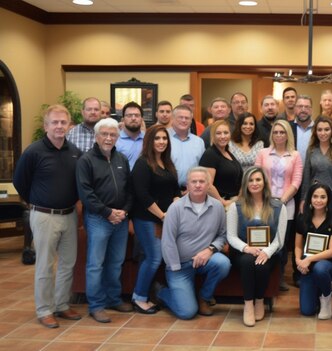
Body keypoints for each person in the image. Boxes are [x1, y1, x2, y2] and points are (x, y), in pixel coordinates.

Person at [13, 105, 83, 328]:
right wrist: (36, 201)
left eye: (63, 122)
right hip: (44, 216)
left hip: (69, 214)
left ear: (69, 125)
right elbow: (20, 182)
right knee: (44, 265)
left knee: (67, 263)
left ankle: (61, 304)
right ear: (46, 126)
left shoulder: (74, 151)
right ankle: (44, 309)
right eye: (55, 122)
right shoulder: (34, 151)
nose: (59, 126)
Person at [76, 117, 134, 323]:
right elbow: (86, 194)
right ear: (96, 136)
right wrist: (108, 212)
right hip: (98, 219)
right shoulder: (86, 160)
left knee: (116, 262)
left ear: (117, 137)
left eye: (113, 135)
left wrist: (124, 211)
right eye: (105, 134)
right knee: (95, 264)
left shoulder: (122, 159)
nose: (109, 138)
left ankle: (113, 299)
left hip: (120, 220)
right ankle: (96, 305)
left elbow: (129, 189)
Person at [158, 167, 232, 319]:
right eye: (194, 182)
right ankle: (161, 292)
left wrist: (210, 250)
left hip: (206, 260)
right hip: (180, 266)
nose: (198, 185)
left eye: (202, 181)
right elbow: (168, 241)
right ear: (187, 185)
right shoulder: (175, 208)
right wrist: (175, 268)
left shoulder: (217, 207)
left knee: (223, 264)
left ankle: (204, 297)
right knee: (187, 313)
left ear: (208, 184)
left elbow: (222, 235)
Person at [227, 167, 287, 327]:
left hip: (270, 252)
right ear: (245, 184)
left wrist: (267, 252)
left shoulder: (279, 206)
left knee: (261, 266)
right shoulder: (236, 206)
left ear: (264, 182)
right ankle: (248, 305)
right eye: (251, 180)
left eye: (258, 179)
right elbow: (231, 236)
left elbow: (280, 239)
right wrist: (247, 248)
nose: (254, 183)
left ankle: (259, 300)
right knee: (248, 262)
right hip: (243, 251)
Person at [130, 124, 181, 314]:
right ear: (149, 141)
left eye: (164, 138)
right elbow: (142, 194)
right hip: (147, 218)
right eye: (157, 138)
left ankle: (150, 294)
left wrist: (175, 205)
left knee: (158, 258)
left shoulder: (167, 163)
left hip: (167, 219)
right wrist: (162, 215)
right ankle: (139, 298)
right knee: (153, 258)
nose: (161, 142)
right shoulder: (143, 163)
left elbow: (175, 189)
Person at [255, 119, 303, 290]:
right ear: (271, 134)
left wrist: (281, 200)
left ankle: (279, 277)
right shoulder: (263, 153)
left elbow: (296, 181)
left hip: (286, 204)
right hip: (263, 203)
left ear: (287, 134)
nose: (278, 135)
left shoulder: (295, 155)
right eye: (275, 132)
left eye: (282, 132)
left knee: (281, 243)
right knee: (265, 240)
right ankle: (264, 275)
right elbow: (256, 176)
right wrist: (267, 198)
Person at [295, 183, 332, 319]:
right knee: (307, 310)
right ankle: (319, 289)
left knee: (320, 269)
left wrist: (308, 259)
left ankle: (326, 297)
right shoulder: (302, 219)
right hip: (307, 265)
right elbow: (298, 246)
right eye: (315, 196)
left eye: (323, 197)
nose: (318, 200)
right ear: (310, 198)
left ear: (328, 199)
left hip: (328, 264)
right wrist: (299, 262)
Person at [300, 116, 332, 208]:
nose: (323, 133)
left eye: (326, 129)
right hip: (314, 199)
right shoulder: (311, 149)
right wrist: (304, 198)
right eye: (319, 130)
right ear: (315, 132)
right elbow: (306, 176)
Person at [199, 120, 243, 208]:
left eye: (226, 133)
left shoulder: (227, 152)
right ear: (213, 135)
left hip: (232, 202)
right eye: (218, 133)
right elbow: (207, 185)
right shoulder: (210, 154)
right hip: (218, 205)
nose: (223, 136)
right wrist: (222, 202)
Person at [168, 105, 205, 190]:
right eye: (180, 117)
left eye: (187, 118)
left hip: (193, 190)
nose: (184, 120)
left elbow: (202, 168)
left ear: (191, 121)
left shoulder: (199, 142)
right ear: (172, 119)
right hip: (167, 190)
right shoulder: (164, 138)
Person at [115, 101, 145, 170]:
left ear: (142, 119)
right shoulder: (115, 140)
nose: (133, 118)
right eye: (129, 115)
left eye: (137, 115)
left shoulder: (148, 139)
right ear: (123, 119)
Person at [292, 95, 315, 164]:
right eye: (300, 106)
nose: (303, 110)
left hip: (313, 173)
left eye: (307, 107)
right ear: (295, 109)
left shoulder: (318, 129)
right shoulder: (288, 128)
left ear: (311, 110)